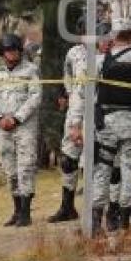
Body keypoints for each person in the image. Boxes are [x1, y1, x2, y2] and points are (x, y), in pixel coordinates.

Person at [48, 18, 112, 225]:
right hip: (75, 111)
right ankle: (67, 206)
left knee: (96, 162)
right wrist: (66, 92)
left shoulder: (106, 55)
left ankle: (101, 208)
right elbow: (68, 74)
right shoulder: (74, 53)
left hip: (98, 114)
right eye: (84, 32)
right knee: (68, 159)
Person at [90, 19, 131, 234]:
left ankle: (96, 218)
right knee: (129, 170)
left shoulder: (99, 62)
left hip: (107, 121)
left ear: (113, 37)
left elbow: (90, 91)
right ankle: (123, 221)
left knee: (103, 168)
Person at [0, 33, 42, 228]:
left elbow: (35, 97)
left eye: (15, 49)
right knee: (10, 169)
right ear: (2, 53)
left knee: (25, 166)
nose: (12, 53)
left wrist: (17, 118)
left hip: (24, 126)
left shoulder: (31, 70)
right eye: (8, 50)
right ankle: (17, 210)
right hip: (4, 127)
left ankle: (26, 213)